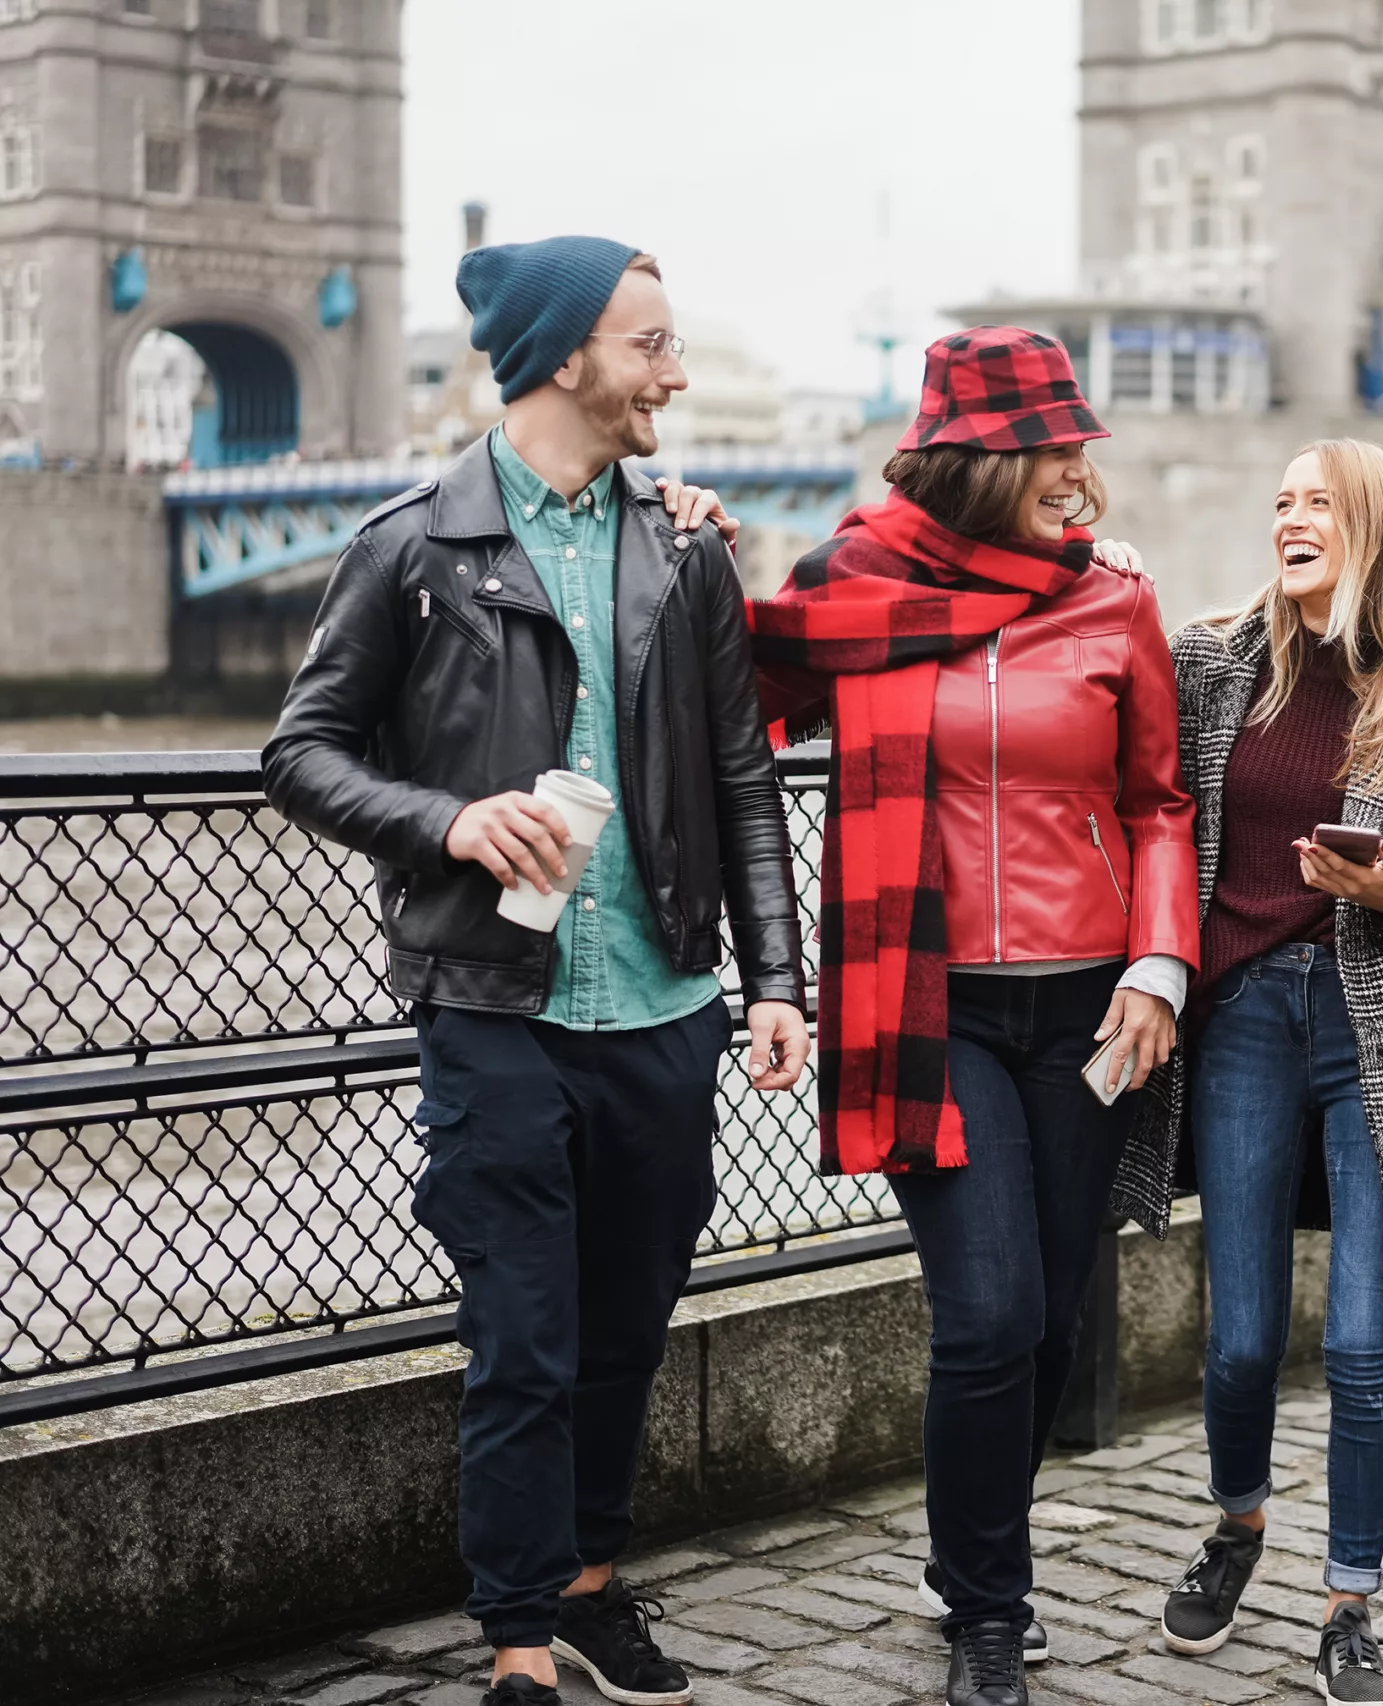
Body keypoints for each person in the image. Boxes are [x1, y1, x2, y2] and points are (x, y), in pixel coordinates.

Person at [264, 238, 811, 1706]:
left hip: (664, 1004)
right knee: (524, 1332)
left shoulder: (686, 542)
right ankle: (515, 1640)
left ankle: (584, 1584)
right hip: (490, 1006)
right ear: (568, 355)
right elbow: (302, 751)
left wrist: (776, 977)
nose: (675, 374)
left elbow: (744, 775)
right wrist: (448, 818)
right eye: (651, 346)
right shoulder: (410, 544)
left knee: (627, 1325)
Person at [745, 327, 1197, 1706]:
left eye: (1075, 448)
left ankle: (970, 1551)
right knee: (987, 1315)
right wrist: (690, 542)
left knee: (1057, 1318)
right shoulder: (854, 583)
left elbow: (1159, 801)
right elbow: (726, 706)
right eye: (1047, 451)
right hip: (925, 1004)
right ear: (973, 461)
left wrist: (1162, 961)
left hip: (1088, 1008)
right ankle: (986, 1601)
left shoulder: (1113, 602)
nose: (1075, 475)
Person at [1113, 440, 1383, 1706]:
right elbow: (1137, 780)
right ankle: (1238, 1526)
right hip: (1242, 1023)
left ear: (1373, 525)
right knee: (1237, 1340)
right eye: (1279, 501)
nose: (1290, 517)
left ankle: (1350, 1601)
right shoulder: (1215, 657)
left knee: (1360, 1344)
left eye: (1316, 502)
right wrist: (1097, 570)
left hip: (1373, 1027)